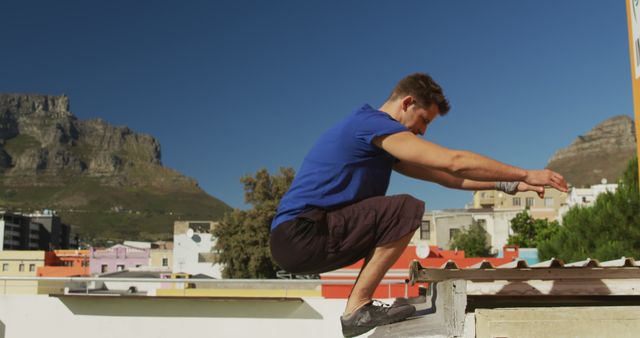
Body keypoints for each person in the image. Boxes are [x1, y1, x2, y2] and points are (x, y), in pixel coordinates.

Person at [269, 73, 568, 337]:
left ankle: (357, 307)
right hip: (300, 233)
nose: (423, 130)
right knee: (405, 210)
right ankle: (357, 308)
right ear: (408, 102)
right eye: (424, 119)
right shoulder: (371, 125)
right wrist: (527, 172)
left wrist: (512, 185)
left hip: (299, 239)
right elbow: (455, 161)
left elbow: (450, 178)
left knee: (400, 211)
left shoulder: (381, 144)